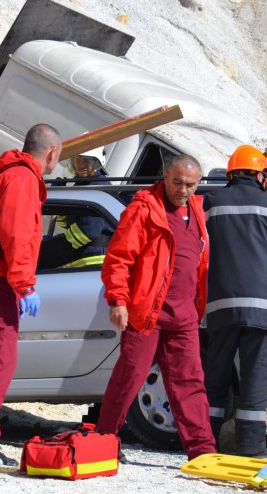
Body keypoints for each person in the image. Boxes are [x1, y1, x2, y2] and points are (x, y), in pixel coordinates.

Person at [96, 155, 216, 461]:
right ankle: (104, 440)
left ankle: (202, 451)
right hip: (146, 312)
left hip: (184, 315)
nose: (183, 190)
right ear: (164, 176)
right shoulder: (144, 208)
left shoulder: (197, 211)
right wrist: (119, 300)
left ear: (197, 183)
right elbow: (119, 258)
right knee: (130, 377)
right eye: (177, 182)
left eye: (190, 184)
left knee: (190, 381)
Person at [0, 123, 62, 472]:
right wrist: (25, 285)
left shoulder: (9, 173)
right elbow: (18, 234)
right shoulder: (22, 179)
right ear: (51, 154)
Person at [202, 145, 267, 458]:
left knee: (215, 380)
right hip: (262, 309)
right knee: (255, 381)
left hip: (220, 306)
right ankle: (251, 446)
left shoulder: (211, 202)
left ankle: (205, 443)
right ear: (258, 175)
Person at [39, 146, 112, 270]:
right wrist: (61, 203)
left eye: (87, 161)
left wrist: (61, 245)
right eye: (78, 160)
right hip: (86, 248)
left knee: (41, 257)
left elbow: (90, 230)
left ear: (97, 164)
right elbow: (66, 224)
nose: (81, 165)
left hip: (93, 255)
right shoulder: (84, 184)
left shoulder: (95, 187)